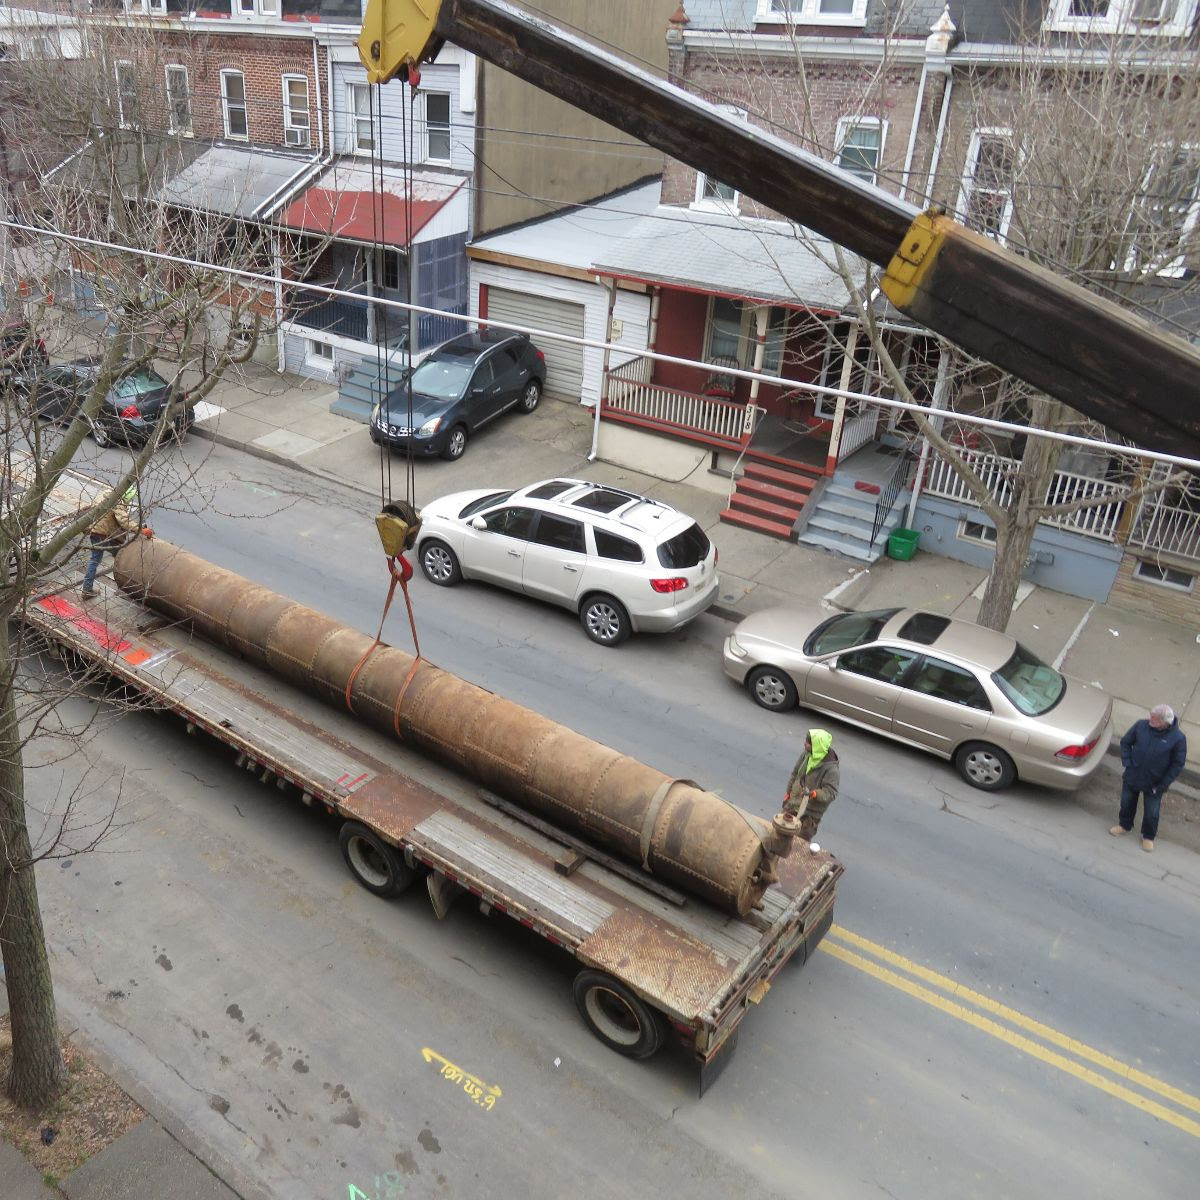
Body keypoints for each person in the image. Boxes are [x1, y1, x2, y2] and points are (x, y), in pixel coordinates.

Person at [1111, 704, 1188, 852]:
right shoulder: (1141, 725)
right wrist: (1127, 762)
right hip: (1133, 775)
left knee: (1152, 811)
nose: (1149, 719)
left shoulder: (1178, 738)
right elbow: (1126, 742)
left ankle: (1148, 836)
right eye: (1150, 716)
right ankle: (1124, 825)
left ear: (1165, 722)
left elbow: (1177, 764)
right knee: (1126, 802)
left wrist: (1164, 784)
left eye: (1154, 718)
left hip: (1156, 783)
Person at [81, 487, 149, 599]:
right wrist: (140, 529)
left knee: (95, 560)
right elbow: (124, 521)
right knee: (122, 558)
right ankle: (128, 586)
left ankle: (87, 589)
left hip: (94, 531)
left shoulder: (104, 495)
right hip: (104, 535)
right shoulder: (117, 501)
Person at [784, 729, 839, 843]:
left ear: (817, 746)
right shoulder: (806, 754)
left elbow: (831, 793)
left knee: (798, 844)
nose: (805, 743)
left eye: (808, 742)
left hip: (809, 815)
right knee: (780, 833)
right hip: (792, 804)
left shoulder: (831, 770)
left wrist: (814, 794)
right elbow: (795, 773)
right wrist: (788, 792)